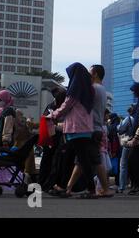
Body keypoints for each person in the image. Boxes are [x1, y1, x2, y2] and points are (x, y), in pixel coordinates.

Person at [47, 62, 98, 199]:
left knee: (81, 160)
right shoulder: (89, 89)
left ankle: (90, 189)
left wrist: (52, 115)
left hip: (76, 129)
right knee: (69, 158)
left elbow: (65, 106)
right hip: (84, 129)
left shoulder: (75, 89)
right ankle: (64, 187)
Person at [117, 105, 135, 193]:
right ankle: (134, 185)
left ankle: (121, 187)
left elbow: (120, 130)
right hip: (137, 144)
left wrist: (119, 125)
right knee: (134, 165)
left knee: (123, 165)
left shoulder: (128, 119)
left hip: (128, 144)